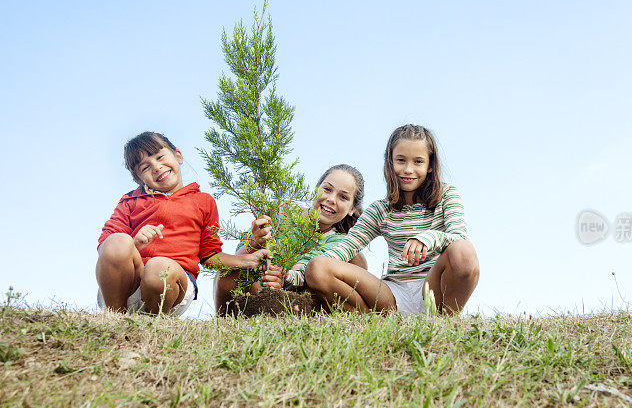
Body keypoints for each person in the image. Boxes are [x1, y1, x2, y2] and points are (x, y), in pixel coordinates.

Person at [305, 124, 479, 316]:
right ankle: (371, 321)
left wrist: (428, 238)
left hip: (433, 288)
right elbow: (344, 249)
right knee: (318, 267)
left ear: (430, 165)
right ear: (390, 162)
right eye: (401, 160)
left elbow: (458, 236)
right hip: (393, 294)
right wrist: (292, 276)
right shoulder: (380, 209)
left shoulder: (447, 195)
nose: (408, 169)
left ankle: (445, 320)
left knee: (463, 251)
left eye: (418, 162)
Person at [96, 131, 269, 317]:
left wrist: (245, 259)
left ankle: (155, 323)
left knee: (159, 268)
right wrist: (135, 243)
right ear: (139, 179)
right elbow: (106, 245)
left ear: (178, 156)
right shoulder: (130, 201)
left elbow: (209, 255)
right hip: (128, 285)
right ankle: (115, 317)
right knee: (117, 240)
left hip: (172, 285)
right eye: (145, 168)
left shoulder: (203, 201)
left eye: (160, 156)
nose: (156, 167)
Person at [214, 164, 368, 313]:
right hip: (252, 292)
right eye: (327, 189)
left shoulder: (339, 242)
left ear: (352, 209)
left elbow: (307, 269)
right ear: (315, 190)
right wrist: (254, 243)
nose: (332, 199)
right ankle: (223, 322)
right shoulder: (282, 213)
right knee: (230, 270)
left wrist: (283, 277)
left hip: (292, 303)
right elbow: (238, 257)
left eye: (343, 197)